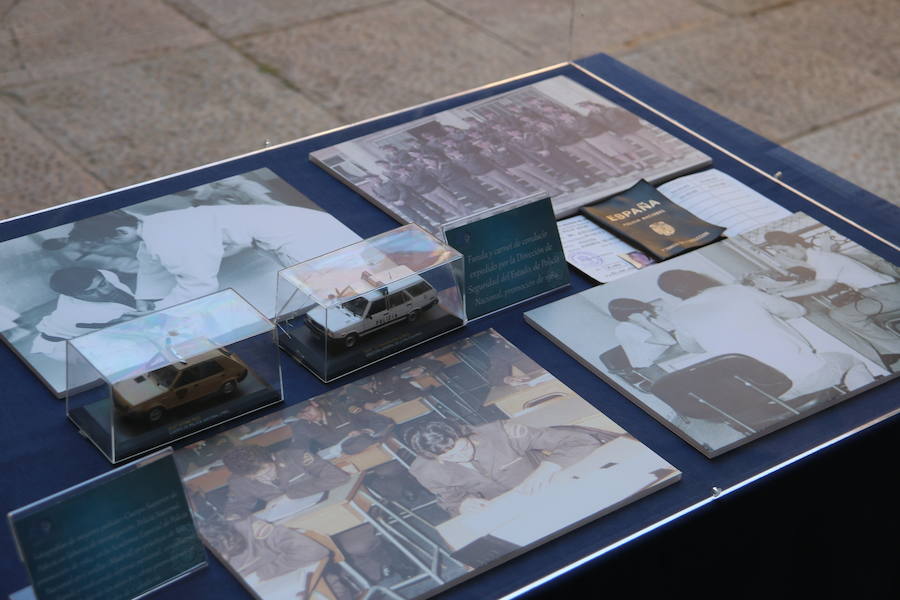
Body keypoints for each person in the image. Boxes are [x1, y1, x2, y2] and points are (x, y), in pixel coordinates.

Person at [66, 205, 360, 311]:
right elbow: (149, 263)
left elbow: (199, 285)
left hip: (304, 240)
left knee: (341, 295)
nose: (101, 249)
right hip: (292, 230)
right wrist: (146, 298)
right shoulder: (154, 227)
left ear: (119, 233)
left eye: (100, 243)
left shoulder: (169, 236)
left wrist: (159, 311)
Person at [657, 269, 875, 400]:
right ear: (698, 278)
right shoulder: (736, 290)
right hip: (806, 376)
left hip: (766, 394)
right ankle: (873, 408)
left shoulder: (678, 314)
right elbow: (796, 311)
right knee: (852, 362)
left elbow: (692, 348)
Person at [220, 445, 399, 583]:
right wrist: (236, 519)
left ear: (273, 457)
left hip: (334, 514)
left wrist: (290, 495)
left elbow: (338, 477)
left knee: (355, 547)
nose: (265, 479)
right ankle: (351, 580)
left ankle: (387, 563)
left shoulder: (295, 456)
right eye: (256, 478)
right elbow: (235, 507)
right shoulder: (238, 480)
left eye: (267, 471)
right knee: (289, 561)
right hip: (296, 527)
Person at [406, 419, 615, 516]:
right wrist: (462, 505)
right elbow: (451, 500)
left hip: (555, 489)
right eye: (451, 457)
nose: (462, 456)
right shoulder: (425, 471)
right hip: (509, 513)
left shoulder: (502, 433)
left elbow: (581, 440)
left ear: (464, 434)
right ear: (434, 458)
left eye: (464, 447)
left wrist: (547, 468)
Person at [762, 230, 900, 367]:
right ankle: (891, 348)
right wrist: (780, 291)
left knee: (841, 315)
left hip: (887, 293)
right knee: (842, 314)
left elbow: (822, 285)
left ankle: (893, 348)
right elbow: (816, 282)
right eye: (779, 252)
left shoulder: (824, 259)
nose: (784, 255)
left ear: (797, 245)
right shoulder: (819, 258)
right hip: (880, 293)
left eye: (784, 250)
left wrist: (782, 295)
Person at [31, 267, 137, 361]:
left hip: (64, 324)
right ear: (73, 295)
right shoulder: (84, 316)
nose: (105, 292)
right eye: (89, 292)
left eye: (102, 284)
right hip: (61, 345)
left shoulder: (104, 275)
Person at [290, 398, 394, 455]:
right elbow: (299, 448)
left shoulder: (341, 409)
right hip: (341, 461)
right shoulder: (302, 427)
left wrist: (365, 431)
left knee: (385, 471)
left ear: (314, 404)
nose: (307, 416)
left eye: (308, 410)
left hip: (369, 448)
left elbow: (378, 419)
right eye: (301, 415)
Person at [607, 297, 680, 368]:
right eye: (641, 311)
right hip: (651, 367)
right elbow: (669, 341)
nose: (647, 313)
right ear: (632, 316)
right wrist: (645, 321)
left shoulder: (644, 321)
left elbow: (672, 329)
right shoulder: (624, 329)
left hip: (665, 357)